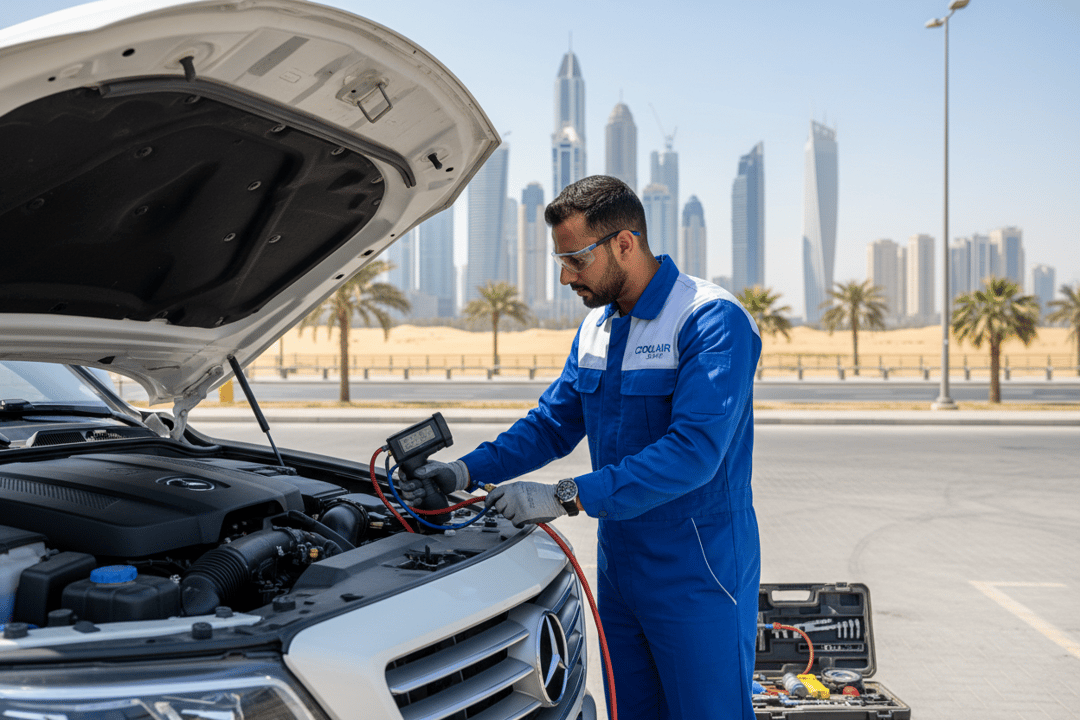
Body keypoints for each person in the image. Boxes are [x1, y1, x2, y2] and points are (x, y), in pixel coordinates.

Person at [399, 175, 762, 719]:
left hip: (699, 571)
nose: (566, 277)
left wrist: (561, 495)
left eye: (576, 260)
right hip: (621, 569)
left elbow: (692, 453)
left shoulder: (708, 319)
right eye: (559, 262)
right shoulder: (597, 328)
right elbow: (551, 425)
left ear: (624, 243)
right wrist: (462, 472)